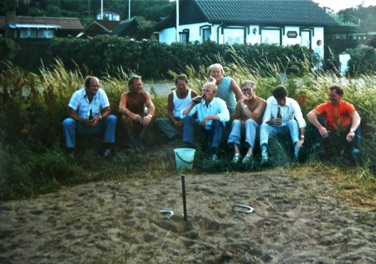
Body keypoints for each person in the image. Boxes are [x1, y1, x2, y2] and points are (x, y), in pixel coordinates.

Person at [62, 76, 117, 157]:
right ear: (86, 86)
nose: (96, 88)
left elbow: (108, 110)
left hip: (97, 123)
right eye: (93, 86)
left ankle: (106, 148)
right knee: (67, 122)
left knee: (112, 118)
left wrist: (99, 118)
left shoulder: (101, 93)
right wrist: (84, 121)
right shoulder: (77, 94)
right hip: (81, 124)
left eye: (97, 86)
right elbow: (70, 112)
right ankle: (70, 150)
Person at [306, 85, 361, 159]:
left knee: (356, 123)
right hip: (329, 131)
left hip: (345, 131)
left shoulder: (347, 105)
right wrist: (320, 127)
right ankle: (319, 146)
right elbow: (310, 114)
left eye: (333, 96)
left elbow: (356, 117)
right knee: (316, 118)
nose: (330, 98)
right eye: (329, 95)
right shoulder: (325, 105)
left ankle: (355, 150)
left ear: (340, 95)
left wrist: (352, 130)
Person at [181, 82, 230, 162]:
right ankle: (188, 145)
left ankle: (214, 151)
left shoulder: (220, 102)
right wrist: (192, 104)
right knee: (187, 119)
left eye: (207, 91)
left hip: (215, 129)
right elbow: (183, 116)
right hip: (202, 128)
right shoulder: (199, 102)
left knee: (217, 122)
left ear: (214, 93)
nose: (204, 93)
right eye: (203, 90)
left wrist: (209, 117)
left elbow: (226, 116)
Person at [260, 85, 306, 164]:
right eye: (279, 100)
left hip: (286, 129)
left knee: (293, 122)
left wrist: (302, 138)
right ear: (275, 98)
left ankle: (297, 151)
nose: (281, 102)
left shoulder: (293, 103)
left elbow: (301, 121)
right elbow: (265, 120)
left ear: (286, 96)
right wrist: (273, 121)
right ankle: (264, 154)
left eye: (283, 99)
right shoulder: (270, 101)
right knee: (263, 126)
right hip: (274, 128)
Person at [228, 81, 266, 165]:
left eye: (248, 90)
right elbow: (237, 116)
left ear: (254, 90)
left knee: (249, 121)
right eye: (244, 90)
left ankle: (250, 152)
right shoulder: (241, 101)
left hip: (255, 127)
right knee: (236, 122)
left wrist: (243, 105)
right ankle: (236, 153)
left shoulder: (261, 102)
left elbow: (254, 117)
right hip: (243, 125)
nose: (246, 92)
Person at [155, 74, 198, 140]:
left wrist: (184, 121)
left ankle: (178, 134)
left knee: (190, 122)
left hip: (187, 118)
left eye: (183, 84)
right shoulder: (172, 95)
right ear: (176, 85)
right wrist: (175, 122)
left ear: (186, 84)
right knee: (159, 121)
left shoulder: (193, 93)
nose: (181, 87)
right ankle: (176, 134)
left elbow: (197, 110)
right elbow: (170, 111)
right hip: (175, 119)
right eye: (179, 85)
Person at [119, 75, 155, 148]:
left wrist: (149, 116)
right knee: (124, 118)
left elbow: (151, 106)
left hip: (141, 117)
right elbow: (121, 108)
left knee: (152, 115)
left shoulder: (144, 94)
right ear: (131, 86)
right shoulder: (126, 95)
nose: (139, 87)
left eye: (140, 84)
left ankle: (140, 139)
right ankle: (131, 140)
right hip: (130, 117)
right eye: (136, 85)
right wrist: (132, 115)